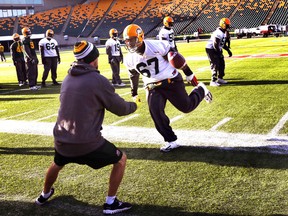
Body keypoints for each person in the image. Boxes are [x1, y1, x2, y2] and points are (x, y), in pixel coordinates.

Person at [35, 41, 137, 215]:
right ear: (94, 58)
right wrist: (133, 105)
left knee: (57, 162)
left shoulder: (67, 77)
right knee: (120, 159)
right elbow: (120, 109)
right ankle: (110, 203)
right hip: (86, 142)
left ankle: (44, 195)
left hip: (62, 139)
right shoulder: (97, 80)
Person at [123, 24, 212, 152]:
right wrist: (134, 92)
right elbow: (133, 75)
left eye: (132, 39)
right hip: (152, 86)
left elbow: (177, 60)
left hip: (171, 81)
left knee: (186, 107)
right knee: (156, 113)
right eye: (127, 40)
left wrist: (189, 74)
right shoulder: (129, 59)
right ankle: (171, 140)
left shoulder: (156, 46)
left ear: (140, 37)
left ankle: (201, 90)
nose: (130, 43)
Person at [205, 18, 231, 87]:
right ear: (223, 24)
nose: (228, 27)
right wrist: (219, 54)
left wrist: (228, 50)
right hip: (211, 49)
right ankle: (213, 81)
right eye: (227, 25)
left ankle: (220, 78)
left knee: (222, 63)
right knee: (215, 64)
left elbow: (222, 44)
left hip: (217, 48)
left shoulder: (223, 32)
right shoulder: (218, 32)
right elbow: (215, 44)